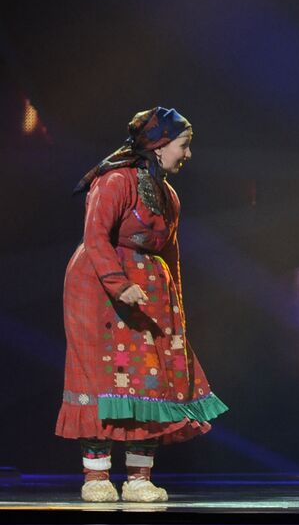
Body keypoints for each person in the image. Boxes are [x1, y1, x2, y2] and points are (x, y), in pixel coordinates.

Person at [57, 107, 227, 503]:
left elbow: (172, 255)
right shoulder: (115, 182)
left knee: (151, 376)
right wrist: (118, 285)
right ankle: (96, 475)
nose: (187, 155)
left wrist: (177, 309)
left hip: (150, 291)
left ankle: (138, 477)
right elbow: (96, 237)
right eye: (184, 146)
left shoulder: (168, 196)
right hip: (99, 288)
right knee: (100, 377)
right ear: (160, 144)